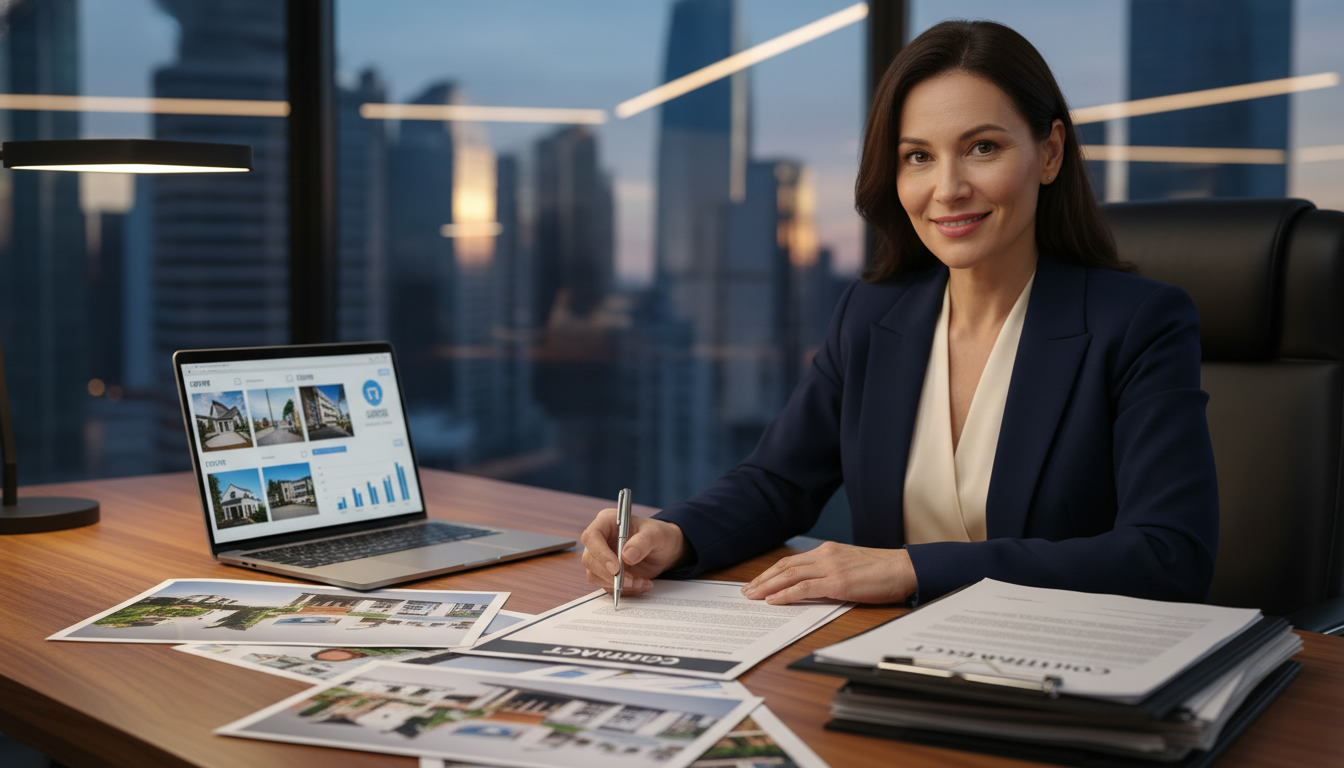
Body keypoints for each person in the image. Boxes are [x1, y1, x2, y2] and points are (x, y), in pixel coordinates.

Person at [581, 19, 1218, 607]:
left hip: (1057, 661)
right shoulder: (874, 313)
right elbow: (778, 481)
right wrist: (674, 533)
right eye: (918, 156)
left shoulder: (1138, 324)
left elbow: (1168, 555)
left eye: (983, 148)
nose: (948, 189)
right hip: (885, 654)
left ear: (1049, 153)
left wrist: (912, 569)